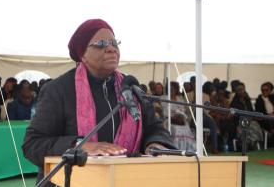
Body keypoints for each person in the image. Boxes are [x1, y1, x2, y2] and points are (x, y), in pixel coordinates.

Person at [22, 19, 175, 186]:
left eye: (114, 43)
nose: (111, 48)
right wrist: (81, 146)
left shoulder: (130, 88)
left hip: (124, 180)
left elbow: (155, 128)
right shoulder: (58, 90)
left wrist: (155, 144)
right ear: (82, 54)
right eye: (101, 44)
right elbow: (33, 144)